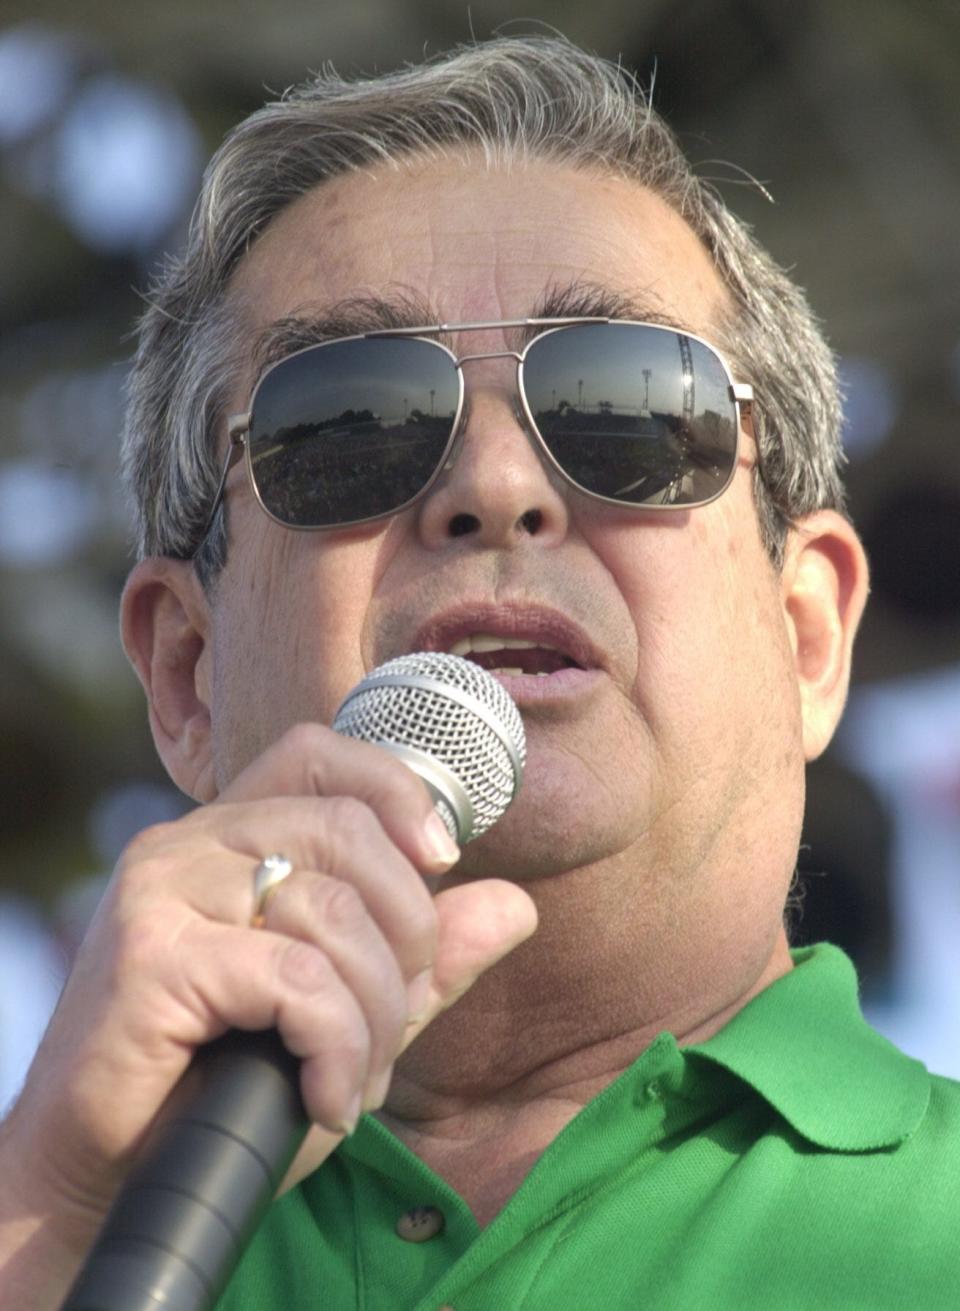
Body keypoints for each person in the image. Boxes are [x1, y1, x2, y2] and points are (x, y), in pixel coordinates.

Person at [1, 34, 957, 1310]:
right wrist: (46, 1229)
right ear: (186, 673)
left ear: (810, 638)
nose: (496, 490)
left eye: (628, 406)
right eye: (346, 421)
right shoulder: (50, 1225)